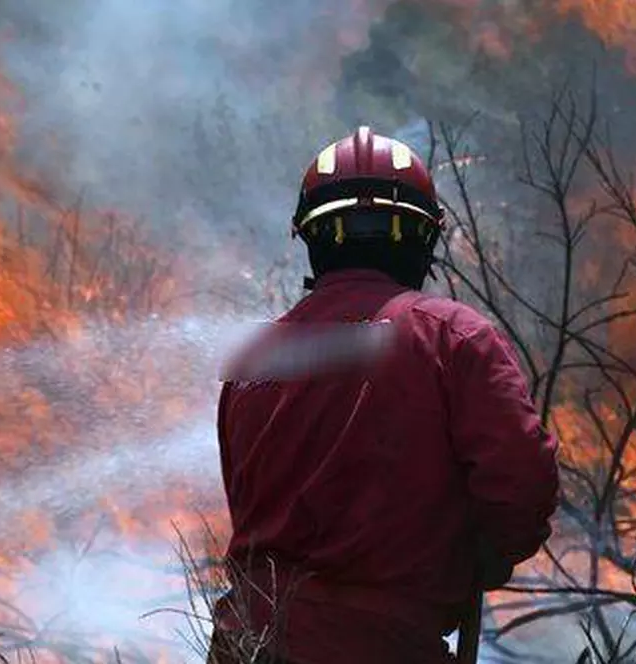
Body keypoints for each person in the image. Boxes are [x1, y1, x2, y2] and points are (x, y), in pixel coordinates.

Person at [208, 127, 560, 664]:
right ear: (422, 238)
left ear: (312, 238)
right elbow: (523, 483)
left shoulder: (254, 361)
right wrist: (489, 554)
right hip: (379, 647)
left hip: (243, 644)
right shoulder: (453, 338)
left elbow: (247, 506)